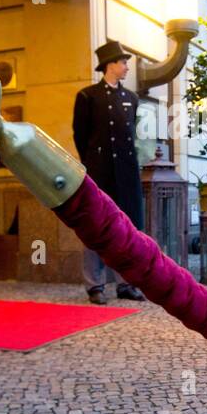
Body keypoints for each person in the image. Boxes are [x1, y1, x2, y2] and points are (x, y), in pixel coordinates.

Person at [73, 40, 145, 305]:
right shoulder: (87, 97)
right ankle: (95, 285)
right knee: (95, 228)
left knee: (126, 229)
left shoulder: (131, 99)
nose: (127, 67)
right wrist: (93, 165)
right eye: (123, 62)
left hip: (126, 175)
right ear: (110, 65)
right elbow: (80, 137)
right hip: (99, 173)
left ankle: (126, 283)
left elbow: (132, 138)